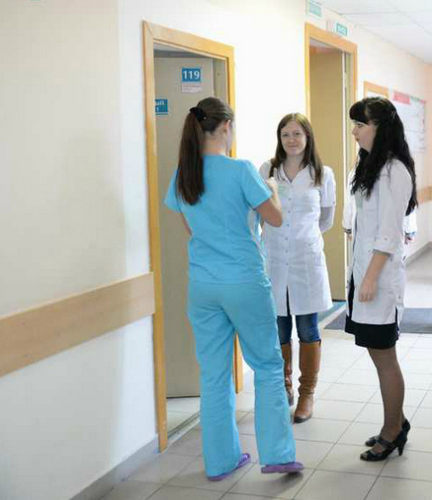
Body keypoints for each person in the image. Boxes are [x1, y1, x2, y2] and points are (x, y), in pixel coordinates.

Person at [163, 97, 303, 481]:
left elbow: (192, 229)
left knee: (213, 374)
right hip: (244, 282)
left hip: (203, 286)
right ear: (226, 127)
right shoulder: (241, 170)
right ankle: (277, 454)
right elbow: (275, 218)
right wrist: (273, 189)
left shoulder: (184, 174)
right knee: (268, 366)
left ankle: (221, 461)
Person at [345, 97, 418, 461]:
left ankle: (393, 432)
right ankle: (396, 421)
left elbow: (389, 231)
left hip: (379, 278)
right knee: (378, 354)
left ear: (381, 127)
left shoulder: (395, 170)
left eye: (360, 125)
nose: (354, 132)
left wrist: (371, 278)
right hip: (364, 273)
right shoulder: (369, 165)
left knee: (385, 357)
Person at [259, 113, 336, 424]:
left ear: (308, 137)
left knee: (307, 328)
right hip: (275, 259)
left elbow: (327, 218)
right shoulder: (267, 170)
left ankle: (307, 393)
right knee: (278, 328)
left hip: (306, 260)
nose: (291, 140)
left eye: (297, 134)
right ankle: (284, 386)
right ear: (279, 139)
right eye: (285, 134)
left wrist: (303, 237)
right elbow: (261, 212)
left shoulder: (322, 174)